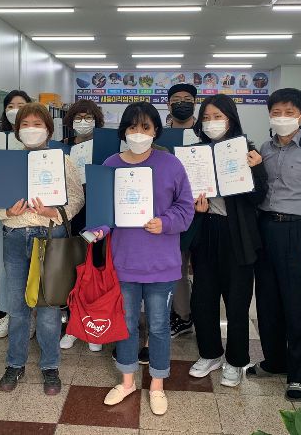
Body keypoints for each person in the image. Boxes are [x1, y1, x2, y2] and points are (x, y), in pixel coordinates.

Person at [90, 101, 194, 416]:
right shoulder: (110, 164)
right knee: (125, 324)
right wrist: (97, 229)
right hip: (124, 262)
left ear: (155, 131)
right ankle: (127, 381)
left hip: (161, 263)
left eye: (145, 127)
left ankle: (157, 384)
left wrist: (165, 222)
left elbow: (185, 208)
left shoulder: (170, 165)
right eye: (133, 127)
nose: (138, 133)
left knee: (159, 326)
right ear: (123, 131)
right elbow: (103, 211)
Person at [0, 103, 85, 396]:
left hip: (49, 238)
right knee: (17, 307)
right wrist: (7, 211)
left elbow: (77, 198)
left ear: (49, 130)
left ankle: (50, 366)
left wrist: (55, 211)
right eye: (25, 124)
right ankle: (15, 363)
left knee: (48, 308)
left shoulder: (62, 161)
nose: (31, 129)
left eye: (37, 124)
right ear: (17, 131)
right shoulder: (6, 163)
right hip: (15, 237)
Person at [248, 88, 301, 401]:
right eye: (276, 112)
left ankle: (299, 376)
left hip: (298, 231)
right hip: (265, 227)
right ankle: (275, 362)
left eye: (289, 112)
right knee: (267, 302)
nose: (282, 117)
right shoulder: (264, 149)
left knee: (297, 306)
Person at [187, 94, 268, 387]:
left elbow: (259, 198)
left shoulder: (247, 151)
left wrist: (256, 168)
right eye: (206, 118)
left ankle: (235, 361)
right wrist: (195, 207)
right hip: (206, 231)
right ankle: (210, 353)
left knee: (236, 303)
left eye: (218, 117)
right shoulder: (195, 153)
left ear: (231, 119)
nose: (212, 123)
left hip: (238, 235)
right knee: (203, 299)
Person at [58, 99, 105, 353]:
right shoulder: (61, 147)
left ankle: (94, 324)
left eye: (89, 117)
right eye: (78, 117)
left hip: (96, 214)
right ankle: (73, 326)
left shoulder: (105, 147)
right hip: (69, 215)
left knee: (94, 270)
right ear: (70, 121)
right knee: (72, 270)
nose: (83, 122)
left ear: (97, 121)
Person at [0, 89, 33, 338]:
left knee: (37, 271)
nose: (15, 110)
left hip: (38, 216)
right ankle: (9, 313)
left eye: (21, 105)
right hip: (7, 213)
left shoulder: (41, 142)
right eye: (10, 105)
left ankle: (32, 316)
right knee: (6, 268)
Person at [165, 83, 198, 339]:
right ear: (168, 104)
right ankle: (182, 315)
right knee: (177, 266)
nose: (182, 103)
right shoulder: (161, 136)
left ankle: (199, 314)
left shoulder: (204, 134)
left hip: (206, 211)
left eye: (188, 99)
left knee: (205, 269)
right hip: (173, 212)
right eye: (176, 99)